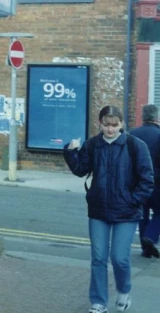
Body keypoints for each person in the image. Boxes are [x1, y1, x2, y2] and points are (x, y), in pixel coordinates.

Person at [64, 105, 154, 313]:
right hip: (99, 211)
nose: (110, 129)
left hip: (127, 212)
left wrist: (133, 200)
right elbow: (80, 170)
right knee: (98, 258)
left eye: (114, 125)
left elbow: (147, 180)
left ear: (122, 124)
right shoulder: (93, 145)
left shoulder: (135, 145)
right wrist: (71, 152)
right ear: (100, 124)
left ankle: (124, 290)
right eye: (106, 125)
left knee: (120, 258)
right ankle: (98, 302)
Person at [130, 104, 160, 258]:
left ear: (143, 117)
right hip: (156, 182)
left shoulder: (132, 134)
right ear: (156, 117)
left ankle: (146, 248)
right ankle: (151, 236)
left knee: (143, 214)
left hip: (137, 182)